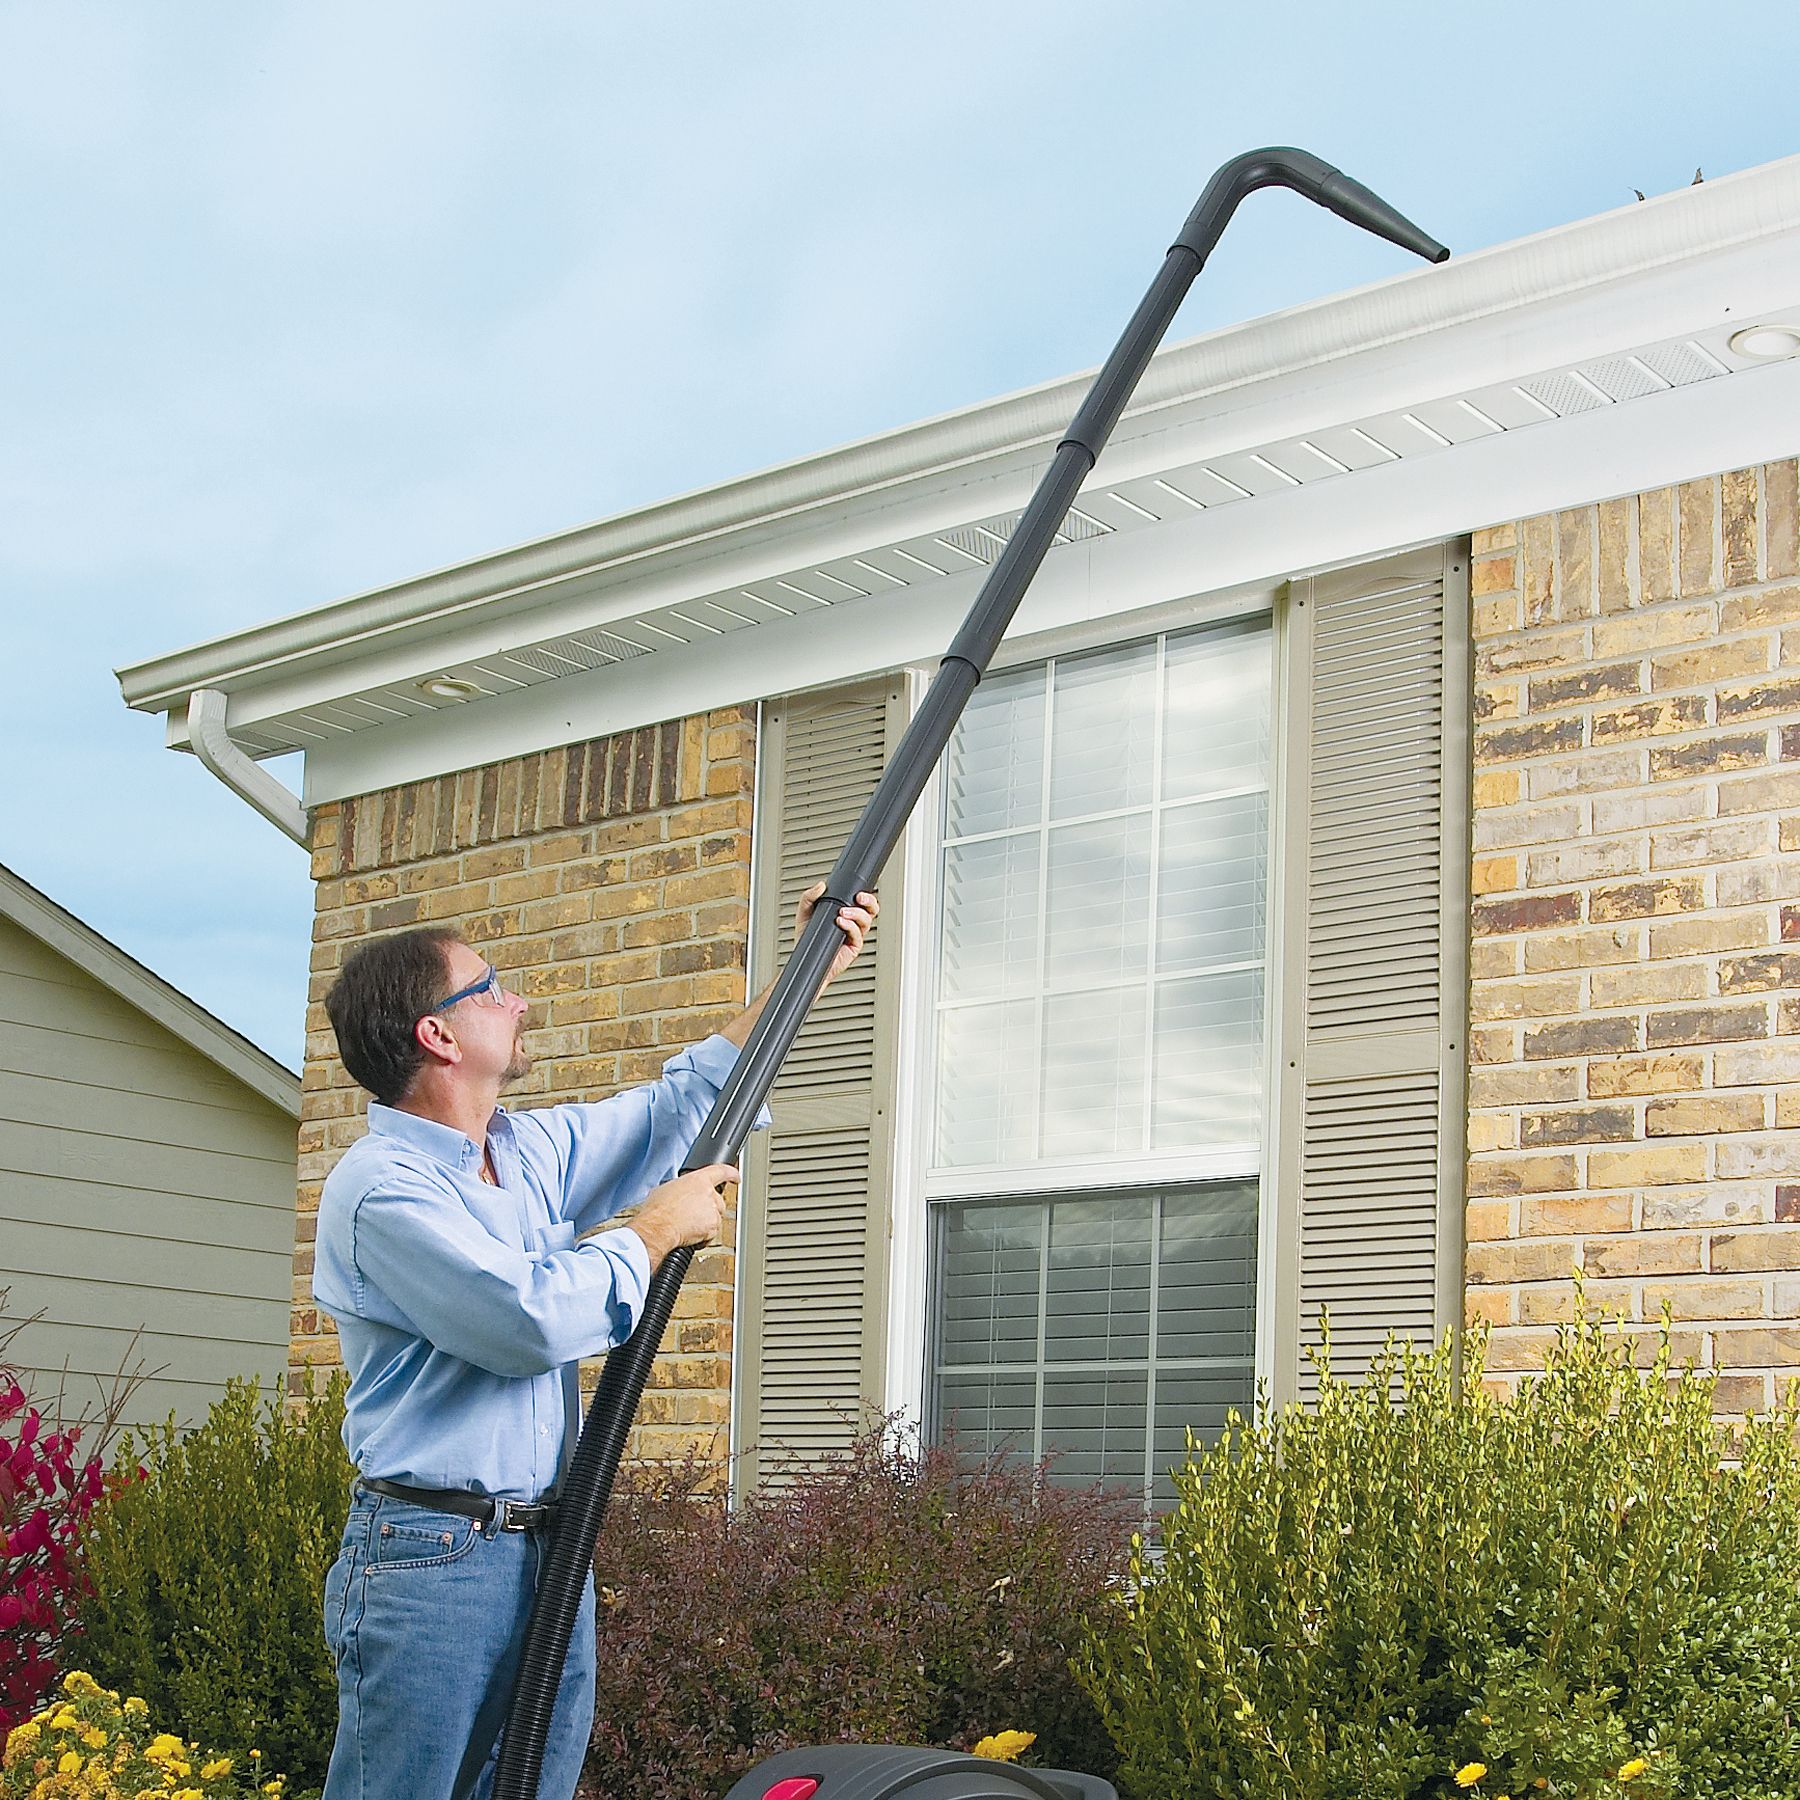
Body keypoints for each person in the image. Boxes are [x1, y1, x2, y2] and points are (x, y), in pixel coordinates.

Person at [311, 880, 878, 1800]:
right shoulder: (383, 1190)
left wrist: (804, 977)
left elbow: (677, 1106)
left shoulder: (523, 1152)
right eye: (488, 989)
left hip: (547, 1546)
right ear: (438, 1035)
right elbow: (522, 1320)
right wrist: (652, 1233)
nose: (518, 1000)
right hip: (431, 1558)